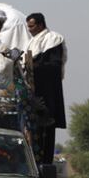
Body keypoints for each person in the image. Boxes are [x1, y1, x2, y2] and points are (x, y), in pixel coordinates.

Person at [25, 13, 67, 164]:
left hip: (47, 92)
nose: (29, 30)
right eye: (28, 27)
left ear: (41, 25)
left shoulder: (53, 39)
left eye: (32, 26)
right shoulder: (32, 42)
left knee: (46, 130)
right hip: (32, 91)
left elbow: (54, 65)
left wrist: (34, 66)